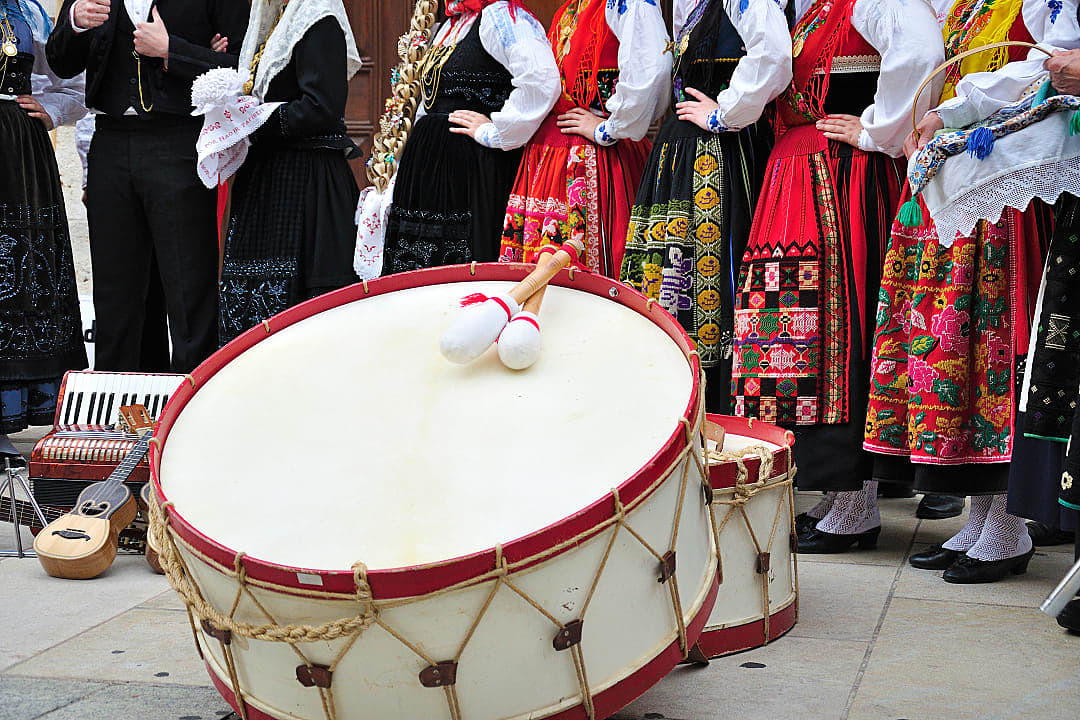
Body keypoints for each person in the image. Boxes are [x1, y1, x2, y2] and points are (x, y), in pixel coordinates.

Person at [854, 0, 1071, 580]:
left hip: (1005, 189)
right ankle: (980, 519)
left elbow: (1037, 74)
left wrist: (955, 112)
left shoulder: (1038, 7)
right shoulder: (973, 5)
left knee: (991, 350)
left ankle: (1006, 524)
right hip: (970, 181)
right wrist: (947, 117)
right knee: (955, 351)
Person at [731, 0, 944, 553]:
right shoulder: (814, 9)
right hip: (801, 175)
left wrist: (878, 129)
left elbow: (922, 50)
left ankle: (857, 500)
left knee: (839, 323)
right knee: (797, 327)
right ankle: (837, 491)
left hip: (839, 177)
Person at [47, 0, 248, 373]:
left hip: (178, 140)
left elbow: (240, 69)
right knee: (115, 294)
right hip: (109, 141)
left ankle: (189, 409)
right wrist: (74, 22)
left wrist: (174, 51)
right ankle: (116, 411)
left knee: (188, 288)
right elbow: (60, 62)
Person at [619, 0, 791, 413]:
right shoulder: (694, 6)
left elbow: (774, 56)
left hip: (715, 154)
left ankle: (715, 405)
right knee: (673, 272)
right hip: (681, 154)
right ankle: (674, 392)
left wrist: (725, 113)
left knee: (711, 279)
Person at [378, 0, 560, 275]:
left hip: (470, 169)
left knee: (464, 269)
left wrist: (495, 131)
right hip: (428, 172)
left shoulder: (502, 17)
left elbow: (542, 80)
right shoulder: (450, 24)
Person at [217, 0, 362, 345]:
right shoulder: (275, 23)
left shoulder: (318, 18)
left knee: (302, 314)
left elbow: (321, 107)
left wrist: (253, 121)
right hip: (267, 178)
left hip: (306, 181)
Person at [498, 0, 671, 278]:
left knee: (592, 269)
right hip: (550, 157)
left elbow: (652, 67)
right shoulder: (569, 9)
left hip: (596, 160)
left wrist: (610, 128)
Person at [0, 0, 87, 440]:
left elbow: (73, 81)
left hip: (16, 150)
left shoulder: (28, 11)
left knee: (17, 275)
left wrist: (48, 108)